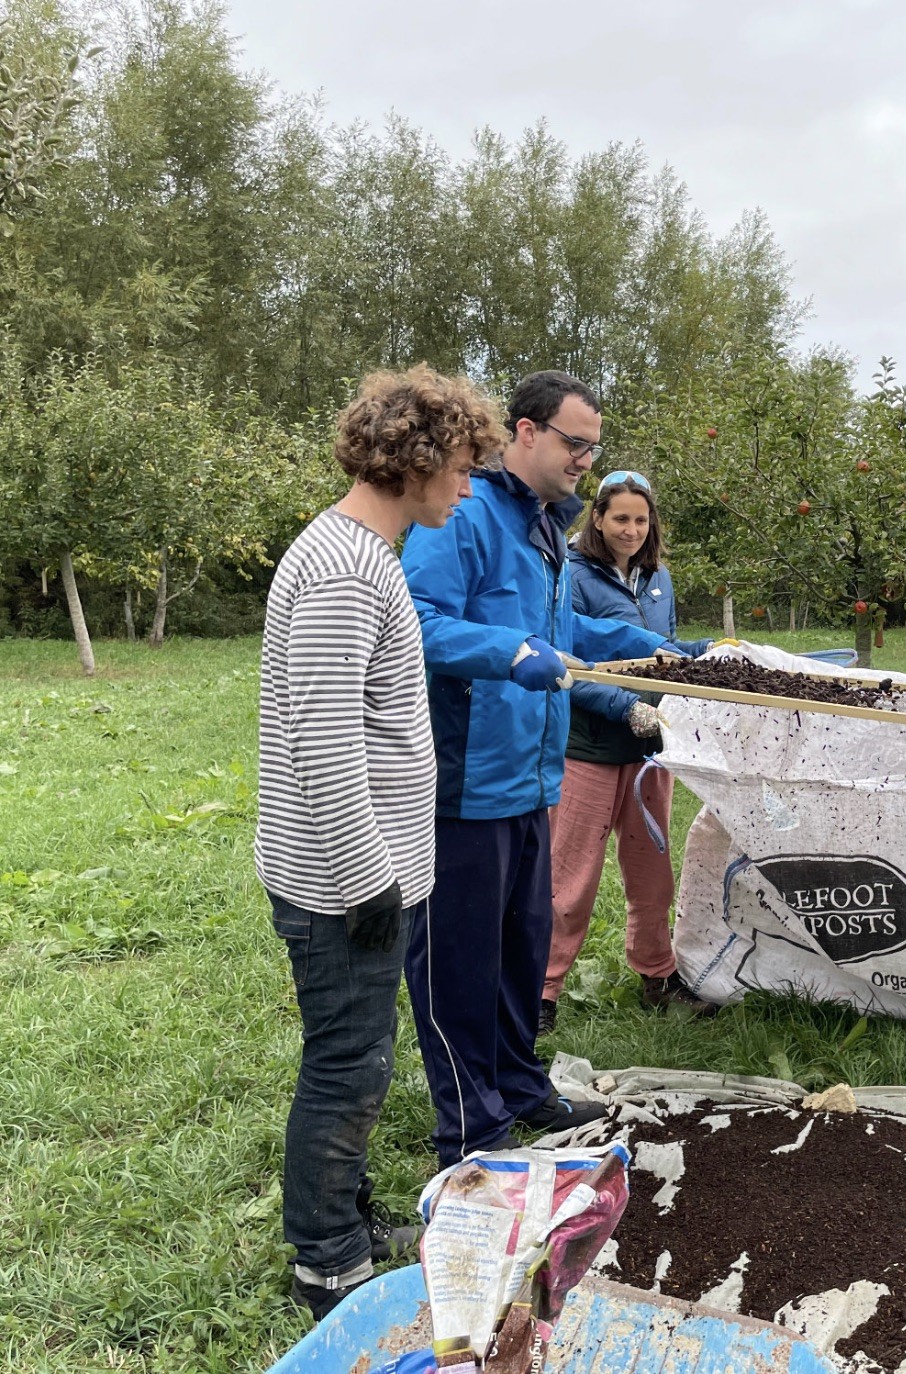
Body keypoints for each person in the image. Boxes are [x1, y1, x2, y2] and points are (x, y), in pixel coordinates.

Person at [255, 365, 507, 1318]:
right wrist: (368, 882)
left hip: (364, 875)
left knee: (361, 1056)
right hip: (339, 883)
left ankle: (346, 1221)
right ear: (423, 457)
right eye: (465, 467)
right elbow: (321, 739)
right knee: (346, 1066)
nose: (470, 487)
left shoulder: (365, 557)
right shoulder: (339, 568)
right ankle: (327, 1258)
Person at [400, 371, 687, 1170]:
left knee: (523, 949)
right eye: (575, 443)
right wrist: (509, 653)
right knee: (459, 960)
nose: (586, 461)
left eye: (594, 447)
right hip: (465, 784)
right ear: (525, 432)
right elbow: (418, 623)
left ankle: (521, 1086)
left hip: (534, 779)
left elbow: (561, 628)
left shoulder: (546, 528)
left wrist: (653, 653)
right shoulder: (460, 514)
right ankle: (471, 1126)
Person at [538, 470, 716, 1034]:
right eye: (620, 518)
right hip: (589, 749)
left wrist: (710, 654)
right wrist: (623, 707)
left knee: (651, 875)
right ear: (598, 518)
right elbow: (567, 664)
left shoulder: (658, 578)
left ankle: (657, 975)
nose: (631, 530)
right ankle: (540, 990)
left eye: (641, 519)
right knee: (570, 881)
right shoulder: (570, 574)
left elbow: (663, 653)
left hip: (648, 753)